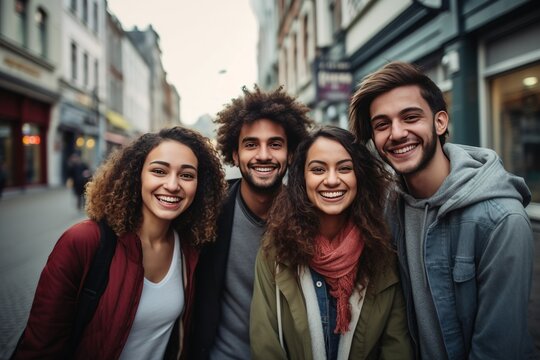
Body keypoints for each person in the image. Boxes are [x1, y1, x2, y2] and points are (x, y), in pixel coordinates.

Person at [349, 61, 536, 359]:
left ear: (440, 123)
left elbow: (497, 350)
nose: (396, 133)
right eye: (382, 124)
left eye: (410, 117)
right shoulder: (388, 208)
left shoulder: (501, 219)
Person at [13, 126, 227, 359]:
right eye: (159, 171)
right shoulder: (83, 242)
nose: (173, 185)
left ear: (199, 186)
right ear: (137, 175)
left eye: (186, 175)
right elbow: (39, 349)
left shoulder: (190, 248)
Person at [250, 126, 413, 359]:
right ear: (302, 178)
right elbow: (265, 345)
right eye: (318, 169)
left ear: (360, 176)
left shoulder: (381, 251)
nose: (332, 180)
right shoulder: (276, 251)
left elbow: (396, 347)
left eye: (345, 168)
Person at [189, 85, 313, 359]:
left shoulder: (310, 217)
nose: (264, 155)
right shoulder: (209, 212)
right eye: (251, 144)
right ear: (235, 155)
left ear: (291, 154)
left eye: (275, 144)